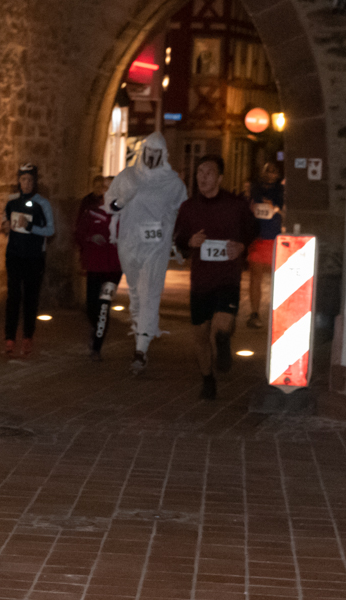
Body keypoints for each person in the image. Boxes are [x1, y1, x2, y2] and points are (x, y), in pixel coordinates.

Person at [173, 154, 257, 400]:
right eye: (200, 172)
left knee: (222, 324)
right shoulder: (189, 208)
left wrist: (241, 246)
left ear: (220, 178)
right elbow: (179, 240)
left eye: (209, 173)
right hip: (200, 281)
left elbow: (253, 229)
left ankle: (223, 341)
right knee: (200, 335)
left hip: (227, 276)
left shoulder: (236, 205)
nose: (203, 177)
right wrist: (190, 241)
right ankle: (207, 379)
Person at [104, 131, 187, 375]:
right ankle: (140, 329)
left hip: (156, 245)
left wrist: (178, 238)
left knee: (149, 291)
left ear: (164, 154)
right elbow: (110, 203)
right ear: (143, 151)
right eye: (149, 151)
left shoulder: (172, 183)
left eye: (156, 152)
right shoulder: (128, 176)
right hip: (129, 243)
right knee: (135, 292)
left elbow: (183, 211)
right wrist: (121, 201)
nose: (151, 156)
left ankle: (141, 347)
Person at [1, 163, 54, 356]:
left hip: (34, 257)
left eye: (30, 180)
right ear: (19, 181)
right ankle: (9, 338)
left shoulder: (43, 203)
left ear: (35, 181)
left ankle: (27, 337)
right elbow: (4, 222)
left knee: (31, 298)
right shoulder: (11, 201)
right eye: (23, 179)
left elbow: (51, 230)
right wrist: (5, 226)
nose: (27, 183)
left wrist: (31, 227)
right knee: (13, 297)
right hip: (14, 255)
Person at [75, 174, 122, 359]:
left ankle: (96, 347)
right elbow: (79, 234)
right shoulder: (92, 212)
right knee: (91, 307)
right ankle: (96, 330)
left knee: (104, 306)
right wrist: (91, 238)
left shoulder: (124, 214)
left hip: (114, 269)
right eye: (105, 187)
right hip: (95, 266)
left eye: (112, 187)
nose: (107, 191)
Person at [246, 161, 284, 328]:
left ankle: (280, 313)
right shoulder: (255, 189)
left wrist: (275, 209)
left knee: (279, 278)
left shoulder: (282, 191)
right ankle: (255, 313)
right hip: (258, 237)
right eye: (267, 170)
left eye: (273, 171)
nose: (270, 174)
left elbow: (287, 212)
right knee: (255, 277)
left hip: (276, 238)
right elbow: (248, 210)